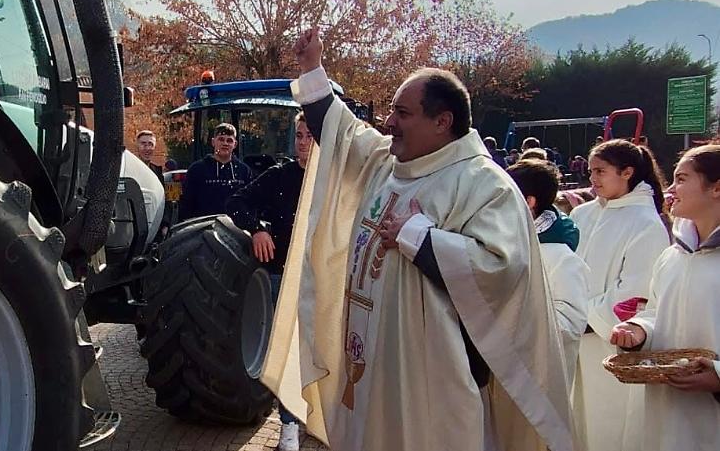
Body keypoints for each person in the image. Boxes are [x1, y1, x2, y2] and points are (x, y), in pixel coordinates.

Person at [260, 27, 573, 451]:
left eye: (402, 113)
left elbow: (502, 268)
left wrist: (420, 239)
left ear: (442, 122)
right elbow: (344, 134)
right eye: (391, 111)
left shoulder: (483, 184)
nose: (389, 122)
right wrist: (313, 70)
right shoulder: (389, 164)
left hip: (432, 383)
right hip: (373, 363)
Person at [609, 144, 720, 450]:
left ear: (716, 188)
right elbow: (656, 312)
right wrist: (638, 331)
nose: (670, 189)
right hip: (667, 412)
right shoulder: (672, 256)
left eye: (681, 179)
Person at [569, 139, 669, 451]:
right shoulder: (582, 214)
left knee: (606, 424)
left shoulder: (646, 222)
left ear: (627, 172)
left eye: (600, 171)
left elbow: (634, 295)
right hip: (570, 335)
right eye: (590, 171)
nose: (592, 179)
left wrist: (583, 314)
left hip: (605, 342)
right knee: (572, 424)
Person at [227, 113, 314, 451]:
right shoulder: (279, 176)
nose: (303, 143)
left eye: (310, 136)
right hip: (284, 277)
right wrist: (258, 228)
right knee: (290, 352)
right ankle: (289, 426)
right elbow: (236, 202)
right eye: (300, 135)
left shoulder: (336, 180)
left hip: (325, 279)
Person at [507, 159, 591, 390]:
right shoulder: (504, 244)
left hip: (537, 379)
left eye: (502, 195)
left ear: (528, 202)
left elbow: (570, 324)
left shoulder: (560, 256)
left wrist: (512, 321)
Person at [177, 123, 252, 220]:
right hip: (202, 227)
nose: (225, 143)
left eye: (229, 140)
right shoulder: (197, 169)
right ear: (213, 142)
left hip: (237, 228)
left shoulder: (244, 171)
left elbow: (250, 202)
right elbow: (186, 202)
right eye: (221, 139)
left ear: (235, 144)